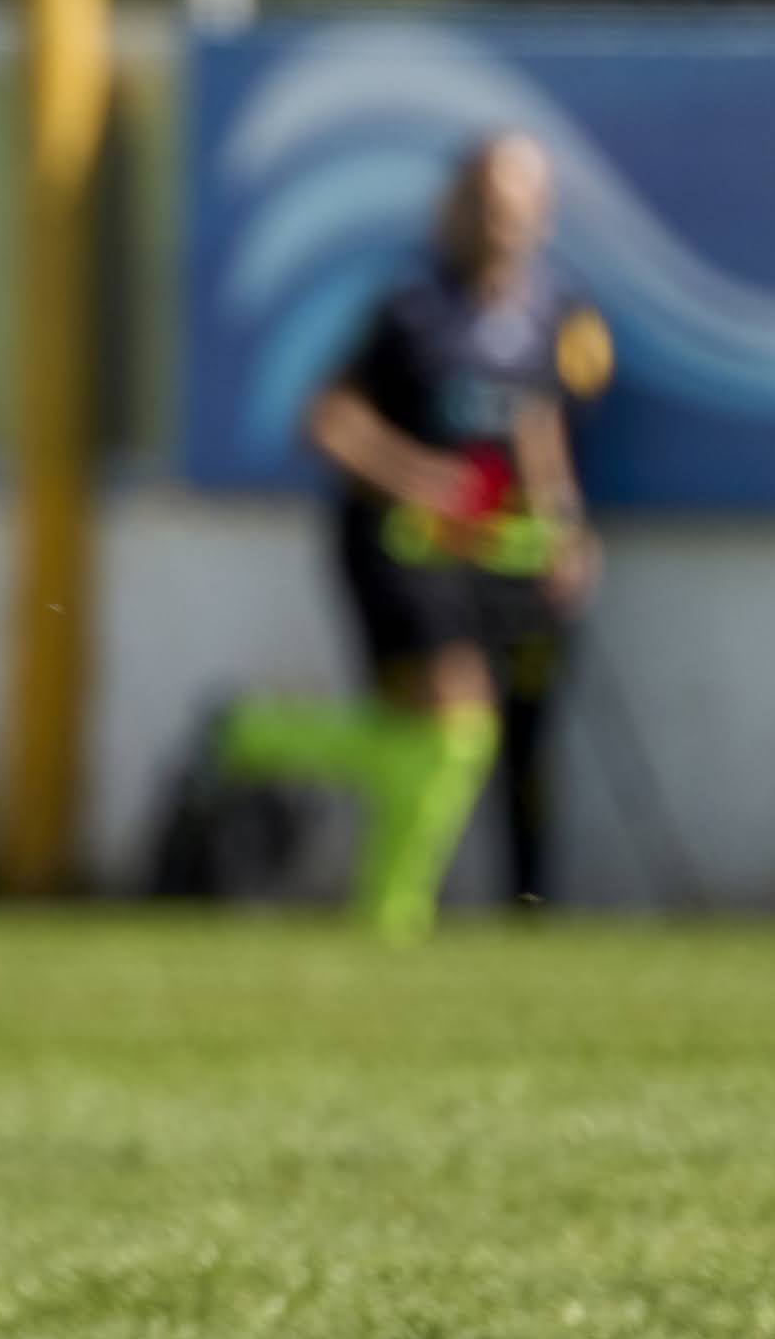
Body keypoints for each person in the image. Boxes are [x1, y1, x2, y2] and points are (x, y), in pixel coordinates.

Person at [209, 133, 611, 935]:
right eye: (485, 205)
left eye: (515, 209)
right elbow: (325, 420)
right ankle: (385, 896)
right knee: (453, 718)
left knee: (465, 734)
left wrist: (564, 528)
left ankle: (261, 746)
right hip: (398, 546)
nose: (499, 224)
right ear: (457, 207)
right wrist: (416, 475)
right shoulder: (410, 306)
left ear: (541, 216)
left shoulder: (548, 314)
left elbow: (538, 430)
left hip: (493, 556)